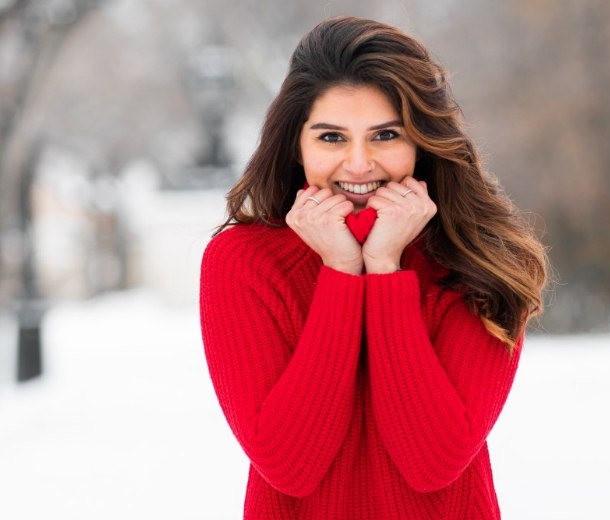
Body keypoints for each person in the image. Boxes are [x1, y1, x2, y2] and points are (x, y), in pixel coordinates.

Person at [200, 16, 547, 519]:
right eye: (332, 138)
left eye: (385, 135)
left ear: (423, 142)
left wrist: (383, 269)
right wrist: (341, 271)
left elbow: (432, 462)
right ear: (296, 145)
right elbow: (289, 465)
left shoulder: (485, 259)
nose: (359, 164)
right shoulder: (243, 263)